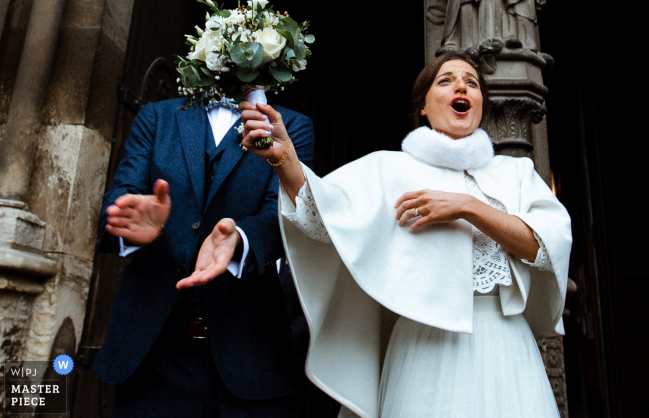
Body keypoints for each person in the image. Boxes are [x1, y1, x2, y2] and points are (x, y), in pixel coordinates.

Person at [202, 51, 571, 417]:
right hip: (423, 351)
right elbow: (323, 217)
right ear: (423, 106)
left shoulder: (516, 173)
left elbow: (544, 245)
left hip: (506, 343)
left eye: (471, 83)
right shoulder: (387, 168)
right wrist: (286, 161)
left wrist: (468, 206)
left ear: (480, 105)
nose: (461, 85)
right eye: (446, 80)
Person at [91, 94, 314, 418]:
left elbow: (287, 218)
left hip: (250, 359)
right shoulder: (157, 115)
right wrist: (127, 220)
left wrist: (240, 239)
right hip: (151, 356)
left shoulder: (291, 126)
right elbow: (120, 194)